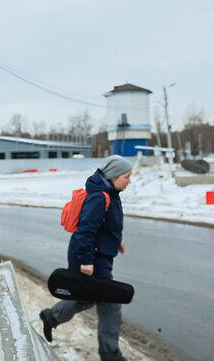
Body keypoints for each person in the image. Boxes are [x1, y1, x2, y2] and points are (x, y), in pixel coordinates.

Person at [40, 155, 133, 361]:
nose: (129, 181)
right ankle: (110, 354)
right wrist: (86, 261)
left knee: (86, 297)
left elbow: (105, 225)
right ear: (114, 176)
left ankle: (51, 316)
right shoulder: (100, 196)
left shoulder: (110, 192)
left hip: (98, 253)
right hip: (92, 256)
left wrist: (116, 241)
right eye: (126, 177)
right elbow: (85, 231)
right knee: (110, 301)